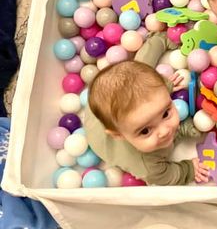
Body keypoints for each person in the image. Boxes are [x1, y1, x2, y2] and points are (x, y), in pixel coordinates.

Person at [84, 46, 209, 186]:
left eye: (166, 113)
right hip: (96, 126)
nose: (164, 131)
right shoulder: (148, 167)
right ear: (119, 134)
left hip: (109, 105)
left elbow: (143, 66)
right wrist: (189, 169)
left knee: (139, 79)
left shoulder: (146, 114)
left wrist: (164, 85)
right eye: (145, 131)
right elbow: (167, 177)